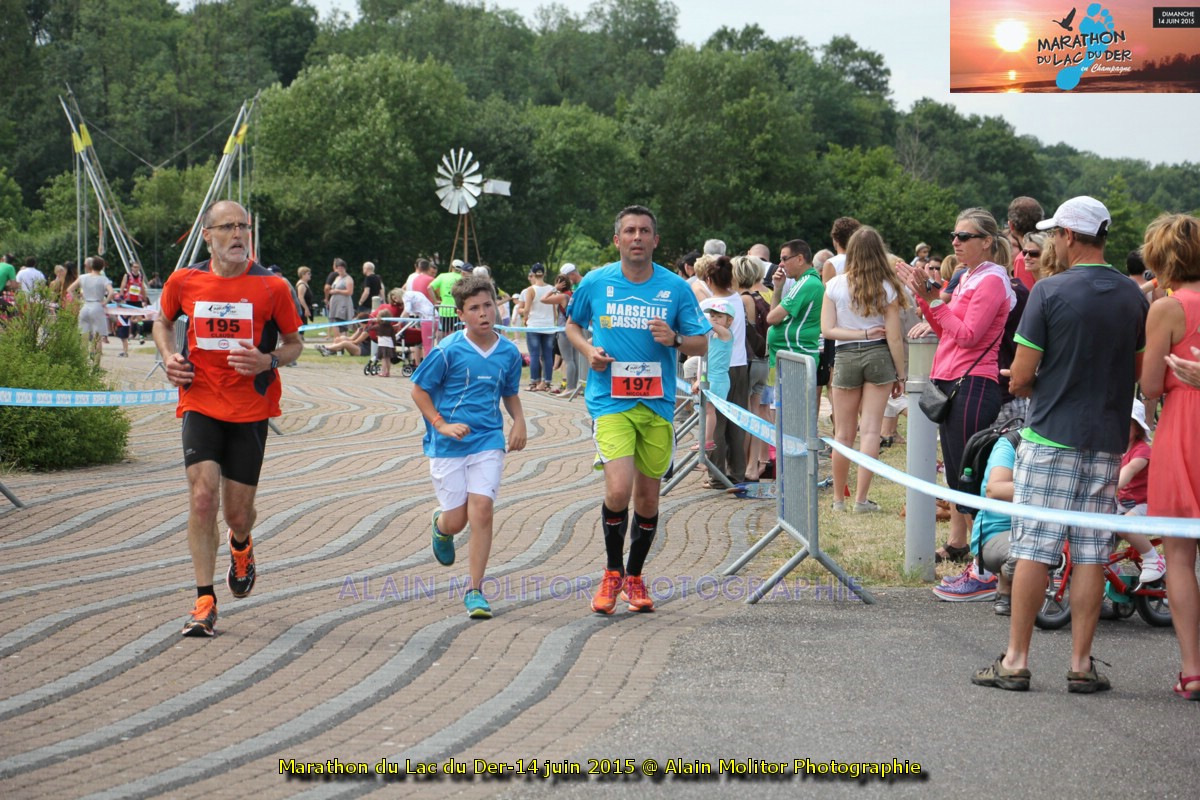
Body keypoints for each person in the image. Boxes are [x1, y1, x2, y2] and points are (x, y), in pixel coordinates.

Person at [972, 196, 1147, 693]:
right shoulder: (1133, 296)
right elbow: (1136, 373)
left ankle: (1016, 660)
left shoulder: (1049, 291)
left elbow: (1022, 374)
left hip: (1051, 434)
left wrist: (1028, 382)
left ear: (1069, 235)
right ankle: (1081, 663)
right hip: (1107, 439)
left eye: (1054, 234)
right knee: (1091, 552)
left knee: (1034, 549)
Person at [152, 200, 303, 638]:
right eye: (227, 227)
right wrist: (168, 356)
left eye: (243, 227)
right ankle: (204, 600)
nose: (238, 234)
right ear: (207, 236)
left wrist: (267, 360)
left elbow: (294, 344)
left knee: (237, 513)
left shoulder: (273, 286)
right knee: (202, 497)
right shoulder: (184, 280)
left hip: (250, 408)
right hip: (199, 400)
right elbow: (162, 322)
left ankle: (241, 544)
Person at [565, 205, 709, 614]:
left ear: (655, 240)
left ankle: (635, 576)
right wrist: (588, 351)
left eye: (644, 231)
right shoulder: (596, 282)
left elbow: (702, 342)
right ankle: (612, 573)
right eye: (629, 231)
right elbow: (572, 326)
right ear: (617, 240)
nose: (637, 237)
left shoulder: (675, 288)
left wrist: (675, 339)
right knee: (618, 489)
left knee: (647, 500)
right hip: (610, 400)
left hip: (656, 404)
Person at [899, 208, 1016, 563]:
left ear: (987, 241)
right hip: (954, 381)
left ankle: (986, 562)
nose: (955, 242)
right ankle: (975, 554)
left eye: (963, 237)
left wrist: (935, 300)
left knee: (969, 479)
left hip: (974, 384)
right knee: (956, 475)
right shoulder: (967, 276)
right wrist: (924, 297)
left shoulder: (991, 280)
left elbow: (967, 336)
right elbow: (944, 329)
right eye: (954, 235)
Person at [411, 275, 526, 619]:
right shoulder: (447, 350)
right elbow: (418, 390)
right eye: (474, 308)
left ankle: (475, 590)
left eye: (488, 305)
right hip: (448, 444)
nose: (483, 313)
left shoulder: (508, 352)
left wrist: (519, 421)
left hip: (488, 439)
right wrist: (441, 424)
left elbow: (509, 392)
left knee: (482, 511)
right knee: (457, 520)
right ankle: (441, 526)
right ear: (460, 314)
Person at [1138, 212, 1200, 701]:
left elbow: (1151, 385)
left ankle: (1193, 669)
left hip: (1183, 427)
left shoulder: (1167, 308)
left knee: (1179, 556)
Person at [820, 226, 908, 512]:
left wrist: (858, 334)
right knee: (870, 431)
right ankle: (861, 499)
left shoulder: (834, 285)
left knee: (843, 434)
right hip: (879, 356)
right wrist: (900, 374)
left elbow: (827, 330)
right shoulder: (888, 287)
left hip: (846, 356)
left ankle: (838, 499)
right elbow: (894, 337)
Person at [702, 255, 749, 488]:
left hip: (716, 370)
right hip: (740, 365)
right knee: (736, 422)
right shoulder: (738, 300)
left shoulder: (707, 307)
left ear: (709, 280)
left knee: (716, 423)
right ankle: (737, 473)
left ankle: (717, 476)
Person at [766, 239, 823, 411]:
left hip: (795, 357)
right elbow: (775, 318)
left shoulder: (806, 283)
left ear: (799, 259)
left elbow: (772, 318)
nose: (781, 265)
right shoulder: (804, 282)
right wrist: (778, 288)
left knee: (791, 416)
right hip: (789, 357)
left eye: (785, 259)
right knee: (784, 415)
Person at [691, 297, 735, 454]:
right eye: (713, 315)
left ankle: (707, 440)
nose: (714, 319)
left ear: (729, 321)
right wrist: (698, 379)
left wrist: (699, 317)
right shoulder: (713, 336)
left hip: (719, 380)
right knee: (705, 410)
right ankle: (703, 439)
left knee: (709, 410)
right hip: (710, 377)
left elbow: (711, 325)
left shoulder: (726, 334)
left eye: (719, 316)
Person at [69, 257, 114, 360]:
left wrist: (78, 301)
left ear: (91, 266)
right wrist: (105, 302)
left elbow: (70, 289)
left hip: (85, 306)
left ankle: (83, 361)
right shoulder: (103, 279)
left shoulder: (82, 277)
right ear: (102, 267)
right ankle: (96, 364)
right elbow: (111, 292)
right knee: (97, 338)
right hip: (97, 306)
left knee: (84, 337)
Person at [521, 263, 555, 391]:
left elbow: (526, 309)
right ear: (544, 273)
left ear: (533, 274)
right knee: (547, 355)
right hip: (549, 326)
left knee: (534, 355)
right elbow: (554, 310)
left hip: (534, 325)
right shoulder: (551, 289)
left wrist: (525, 318)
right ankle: (547, 383)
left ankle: (533, 382)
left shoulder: (530, 290)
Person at [542, 269, 577, 394]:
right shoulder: (571, 294)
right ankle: (573, 386)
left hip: (564, 331)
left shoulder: (562, 296)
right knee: (573, 360)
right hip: (574, 330)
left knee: (568, 360)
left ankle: (570, 388)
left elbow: (543, 299)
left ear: (560, 284)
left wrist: (554, 289)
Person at [1007, 196, 1044, 291]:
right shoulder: (1053, 249)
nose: (1027, 256)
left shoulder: (1022, 259)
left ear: (1011, 225)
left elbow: (1026, 296)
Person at [429, 260, 467, 343]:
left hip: (444, 310)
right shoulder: (463, 279)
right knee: (457, 335)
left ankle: (440, 347)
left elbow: (429, 288)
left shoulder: (443, 276)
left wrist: (435, 301)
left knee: (441, 332)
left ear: (452, 267)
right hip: (458, 310)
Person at [120, 261, 149, 342]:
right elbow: (122, 286)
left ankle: (141, 336)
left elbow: (142, 287)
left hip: (137, 300)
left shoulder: (141, 276)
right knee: (126, 317)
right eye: (134, 267)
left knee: (140, 319)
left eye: (137, 267)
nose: (136, 269)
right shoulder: (127, 275)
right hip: (128, 299)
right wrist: (121, 297)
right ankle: (127, 336)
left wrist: (145, 298)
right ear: (132, 268)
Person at [326, 259, 354, 333]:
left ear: (345, 268)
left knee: (342, 324)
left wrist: (338, 291)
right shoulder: (337, 278)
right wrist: (331, 291)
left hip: (343, 304)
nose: (340, 269)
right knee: (335, 323)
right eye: (338, 268)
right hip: (335, 304)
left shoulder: (348, 279)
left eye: (342, 267)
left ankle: (343, 338)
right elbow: (332, 288)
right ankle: (336, 338)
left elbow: (350, 292)